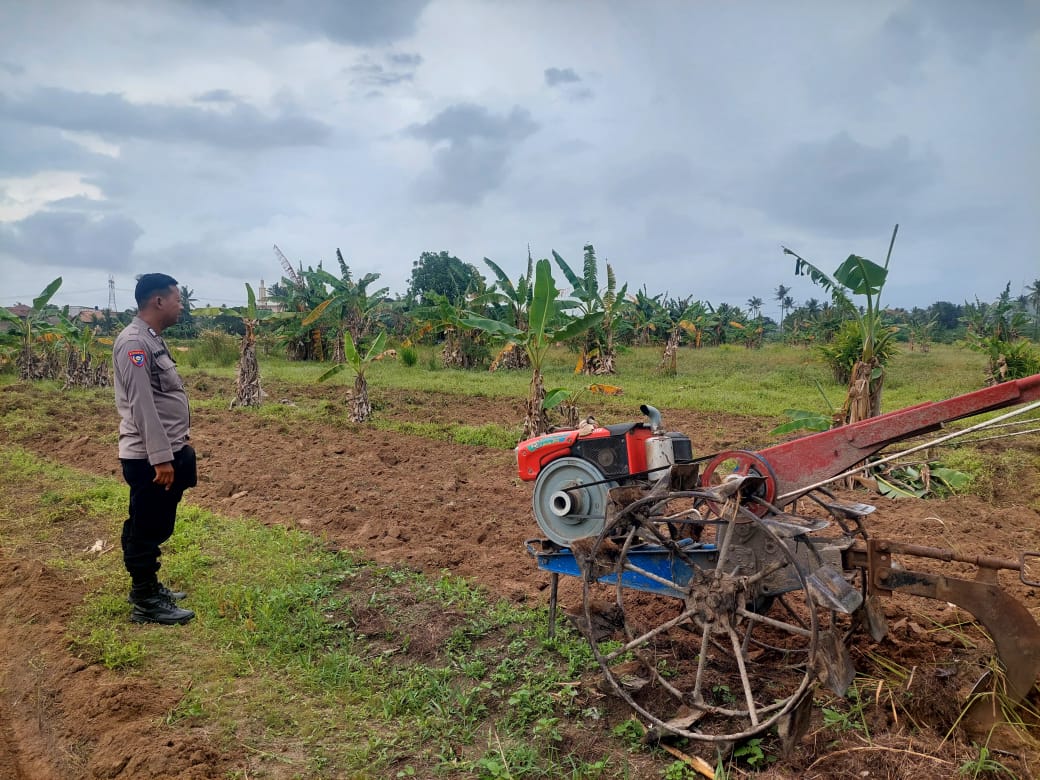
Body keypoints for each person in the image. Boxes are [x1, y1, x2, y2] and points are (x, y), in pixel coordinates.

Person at [113, 273, 196, 625]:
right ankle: (145, 600)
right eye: (178, 300)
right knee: (146, 528)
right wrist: (161, 458)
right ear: (158, 301)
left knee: (154, 523)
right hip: (149, 458)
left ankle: (147, 588)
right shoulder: (134, 342)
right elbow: (142, 405)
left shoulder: (151, 339)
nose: (181, 306)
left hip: (163, 453)